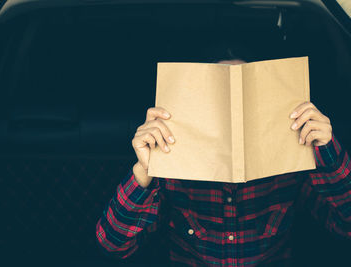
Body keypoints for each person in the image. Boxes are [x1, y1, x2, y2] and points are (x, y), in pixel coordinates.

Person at [95, 46, 351, 266]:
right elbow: (114, 245)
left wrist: (327, 151)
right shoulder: (172, 169)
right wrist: (143, 169)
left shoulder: (291, 168)